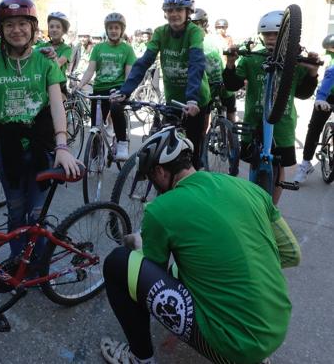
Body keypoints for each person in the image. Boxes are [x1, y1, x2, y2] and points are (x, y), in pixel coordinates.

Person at [99, 126, 300, 364]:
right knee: (187, 268)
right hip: (276, 328)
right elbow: (291, 254)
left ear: (161, 171)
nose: (153, 187)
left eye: (151, 178)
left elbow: (155, 279)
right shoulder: (248, 189)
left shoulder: (160, 209)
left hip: (232, 347)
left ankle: (139, 358)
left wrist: (140, 244)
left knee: (117, 263)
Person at [0, 0, 79, 260]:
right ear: (1, 30)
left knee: (36, 214)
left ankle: (37, 264)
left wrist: (62, 146)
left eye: (23, 23)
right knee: (15, 210)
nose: (17, 30)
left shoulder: (46, 61)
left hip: (41, 148)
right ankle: (18, 264)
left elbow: (57, 106)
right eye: (9, 25)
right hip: (7, 149)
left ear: (34, 28)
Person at [223, 10, 318, 204]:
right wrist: (231, 63)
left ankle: (272, 209)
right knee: (254, 162)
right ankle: (254, 204)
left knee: (278, 166)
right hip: (254, 120)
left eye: (276, 34)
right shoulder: (251, 59)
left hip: (282, 125)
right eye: (267, 34)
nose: (271, 38)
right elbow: (233, 85)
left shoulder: (294, 62)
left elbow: (303, 94)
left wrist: (312, 74)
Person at [116, 0, 210, 169]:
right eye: (170, 10)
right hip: (173, 98)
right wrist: (125, 90)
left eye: (178, 9)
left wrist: (192, 98)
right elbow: (144, 62)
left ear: (188, 12)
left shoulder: (194, 32)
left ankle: (196, 182)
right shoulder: (160, 32)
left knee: (193, 150)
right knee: (169, 145)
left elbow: (196, 63)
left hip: (196, 98)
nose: (174, 14)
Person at [76, 12, 136, 160]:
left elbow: (129, 75)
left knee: (116, 108)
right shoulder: (98, 48)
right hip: (99, 89)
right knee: (95, 123)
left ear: (122, 30)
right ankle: (96, 146)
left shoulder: (127, 49)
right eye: (110, 28)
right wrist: (80, 84)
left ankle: (121, 143)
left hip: (118, 89)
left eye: (116, 27)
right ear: (106, 30)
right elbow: (90, 70)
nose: (113, 30)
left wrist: (126, 91)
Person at [293, 33, 334, 183]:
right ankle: (305, 164)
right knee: (314, 127)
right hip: (327, 96)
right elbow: (329, 77)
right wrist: (320, 99)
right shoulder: (330, 59)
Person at [190, 9, 237, 122]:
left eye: (198, 24)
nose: (195, 27)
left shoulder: (214, 39)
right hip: (205, 86)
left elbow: (223, 59)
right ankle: (203, 138)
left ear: (204, 24)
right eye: (192, 24)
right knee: (204, 120)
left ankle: (233, 137)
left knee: (231, 113)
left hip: (221, 81)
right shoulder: (188, 42)